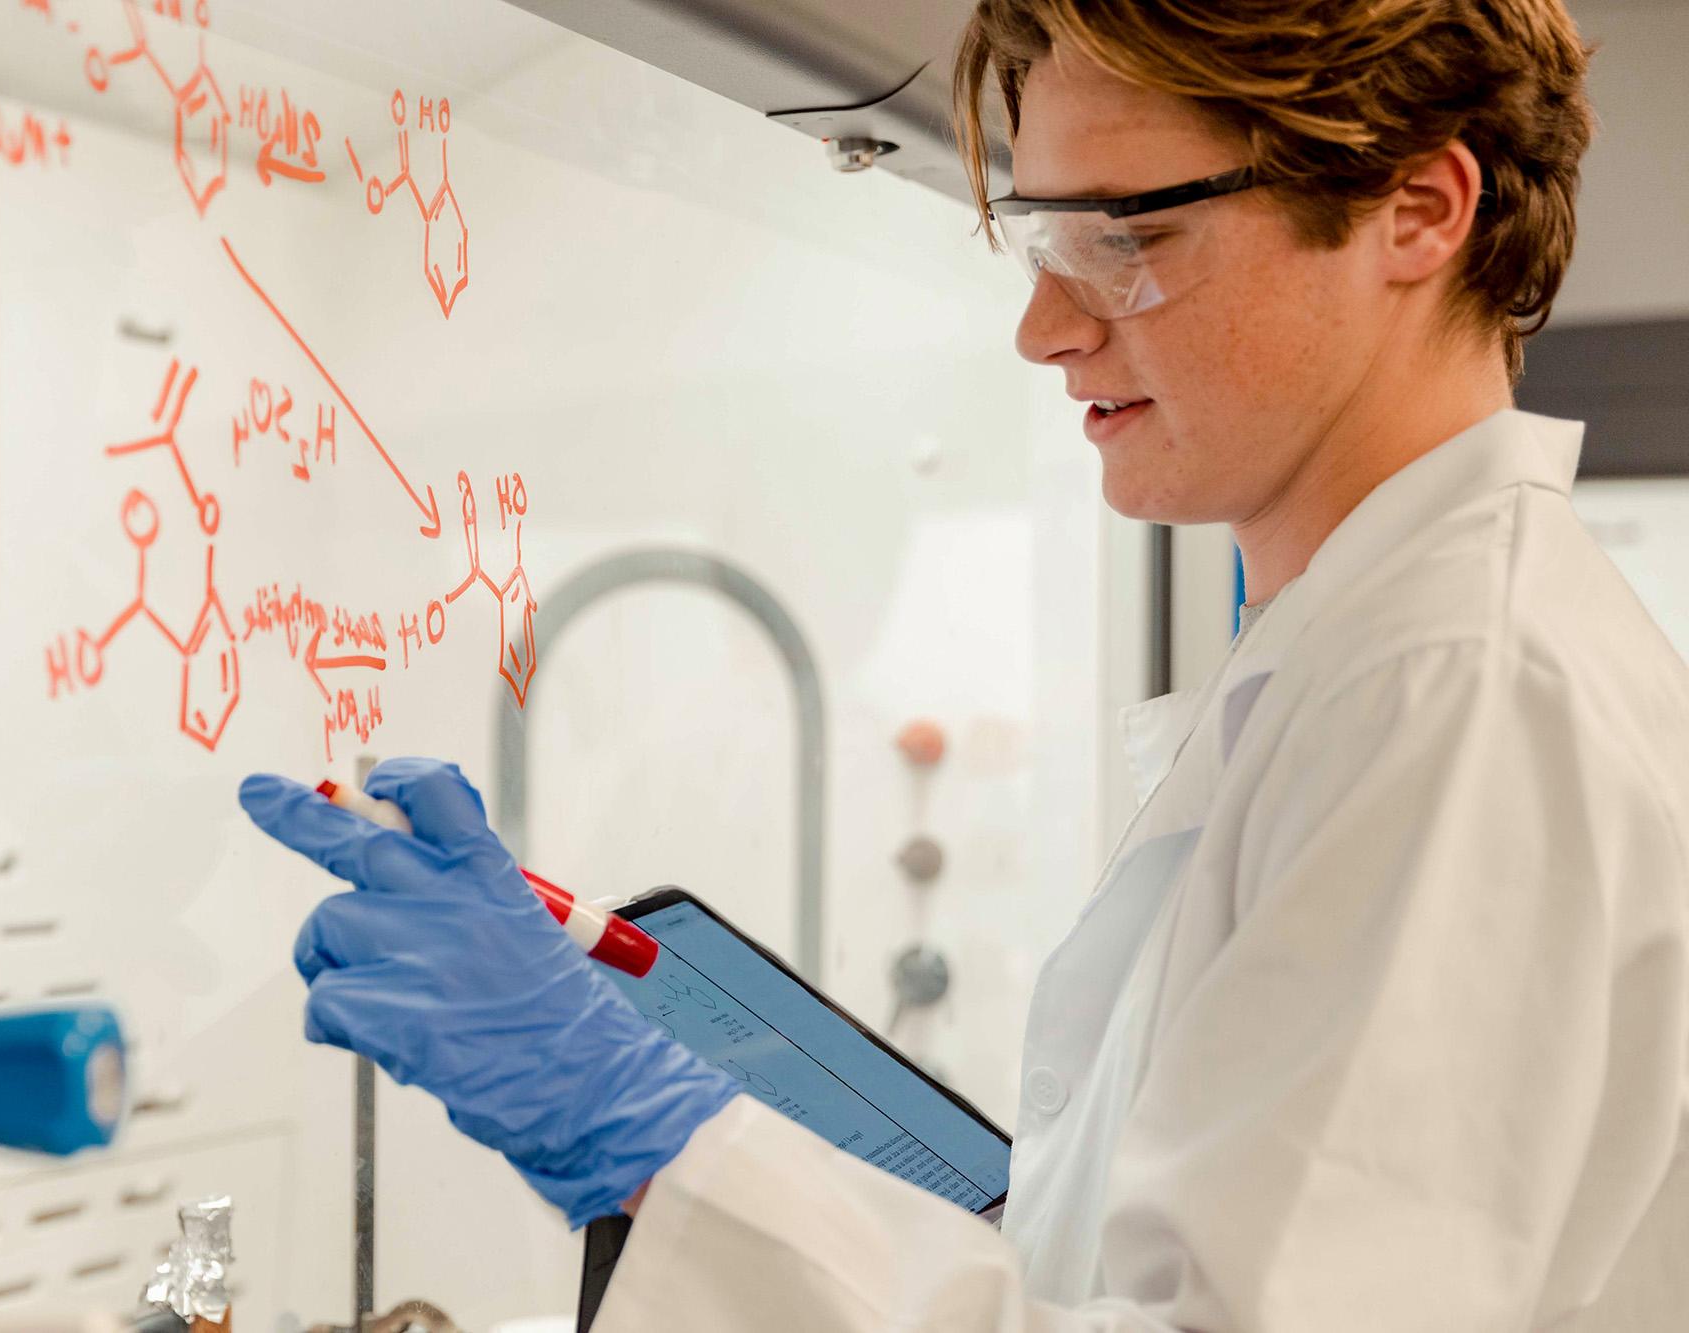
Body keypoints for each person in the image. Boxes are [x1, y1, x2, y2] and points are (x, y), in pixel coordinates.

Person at [238, 0, 1689, 1326]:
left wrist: (661, 1139)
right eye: (1047, 244)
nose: (1046, 328)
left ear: (1416, 210)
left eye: (1127, 234)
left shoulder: (1457, 689)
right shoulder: (1366, 660)